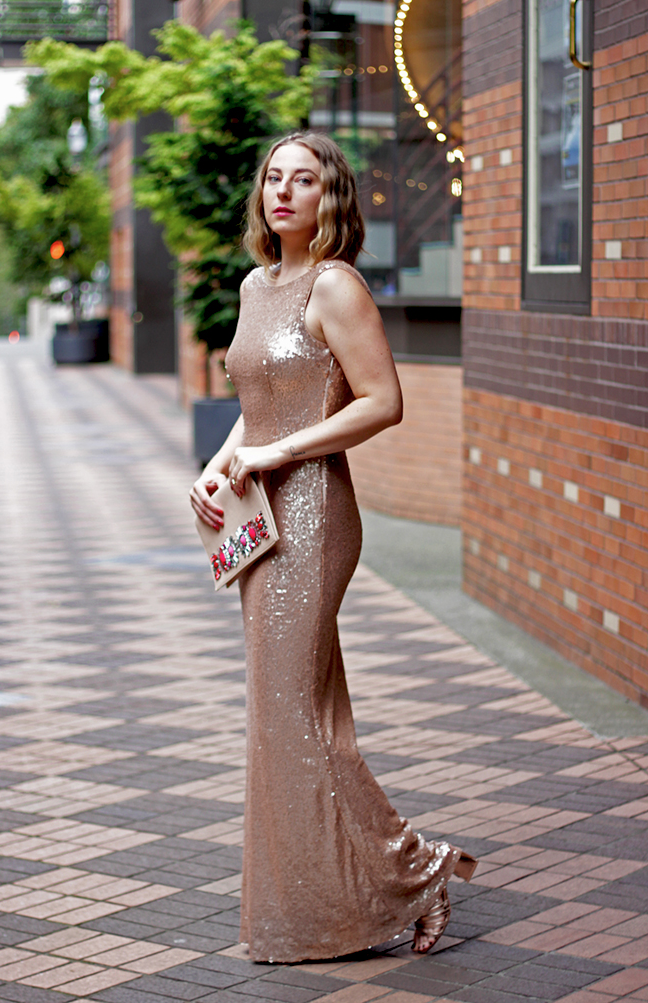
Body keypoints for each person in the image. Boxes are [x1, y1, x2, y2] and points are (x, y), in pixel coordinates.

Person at [190, 131, 476, 963]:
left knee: (290, 713)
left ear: (330, 197)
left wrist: (278, 455)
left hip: (314, 513)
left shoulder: (335, 285)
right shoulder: (256, 284)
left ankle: (418, 870)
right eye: (273, 176)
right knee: (293, 716)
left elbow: (383, 402)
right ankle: (322, 902)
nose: (283, 191)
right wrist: (216, 471)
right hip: (260, 515)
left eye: (302, 179)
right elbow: (259, 401)